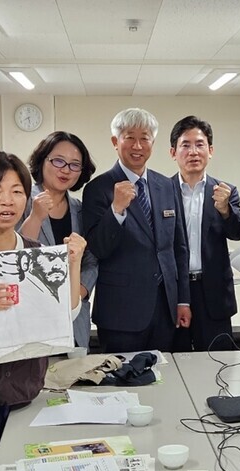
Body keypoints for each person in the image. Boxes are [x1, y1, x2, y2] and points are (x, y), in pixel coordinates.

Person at [0, 151, 85, 471]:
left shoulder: (35, 251)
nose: (7, 201)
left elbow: (66, 314)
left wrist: (73, 263)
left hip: (27, 388)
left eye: (16, 191)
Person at [82, 108, 191, 353]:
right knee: (121, 382)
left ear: (153, 142)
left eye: (145, 138)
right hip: (121, 312)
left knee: (163, 379)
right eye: (129, 137)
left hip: (165, 308)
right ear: (115, 141)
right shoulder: (98, 189)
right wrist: (116, 210)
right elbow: (97, 249)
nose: (137, 145)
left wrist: (182, 299)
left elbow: (178, 248)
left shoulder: (166, 185)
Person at [168, 115, 240, 351]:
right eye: (185, 145)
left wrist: (225, 210)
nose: (193, 152)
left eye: (200, 144)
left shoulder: (225, 191)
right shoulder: (161, 190)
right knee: (175, 362)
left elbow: (238, 232)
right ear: (173, 152)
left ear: (210, 150)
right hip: (174, 291)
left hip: (212, 292)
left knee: (218, 364)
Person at [19, 131, 99, 349]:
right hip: (31, 316)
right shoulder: (21, 202)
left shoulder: (81, 210)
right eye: (58, 161)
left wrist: (81, 289)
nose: (65, 170)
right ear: (42, 160)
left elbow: (91, 259)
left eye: (75, 165)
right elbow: (15, 255)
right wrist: (35, 217)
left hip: (73, 320)